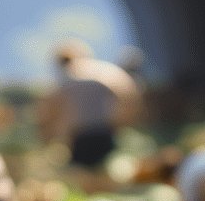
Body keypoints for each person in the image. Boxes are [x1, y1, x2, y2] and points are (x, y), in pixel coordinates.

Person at [41, 40, 142, 169]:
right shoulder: (106, 70)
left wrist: (50, 139)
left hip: (81, 139)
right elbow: (130, 96)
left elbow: (49, 114)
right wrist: (120, 124)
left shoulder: (64, 78)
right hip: (107, 134)